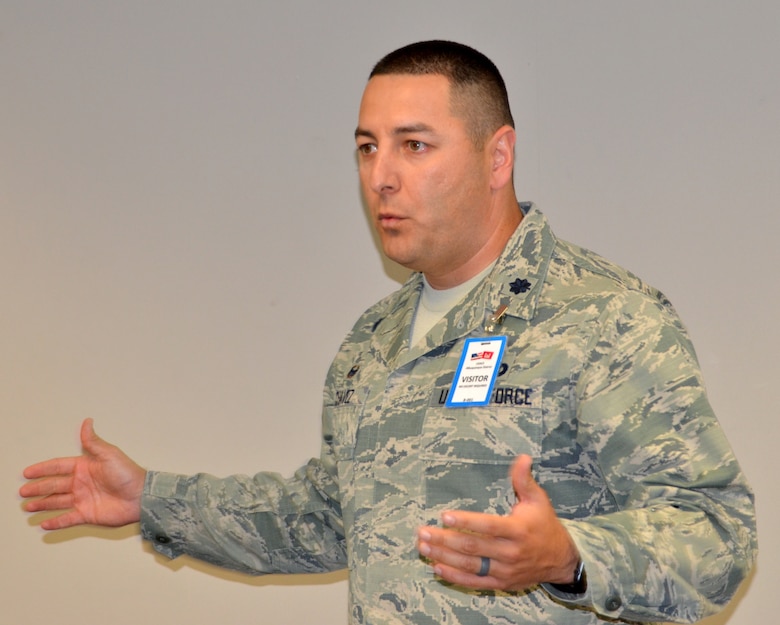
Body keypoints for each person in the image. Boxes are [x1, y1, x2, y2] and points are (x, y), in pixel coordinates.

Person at [20, 40, 756, 625]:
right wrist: (152, 497)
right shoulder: (374, 341)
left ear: (497, 156)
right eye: (368, 146)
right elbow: (326, 518)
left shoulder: (603, 316)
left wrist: (570, 556)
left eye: (414, 145)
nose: (381, 176)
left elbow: (719, 535)